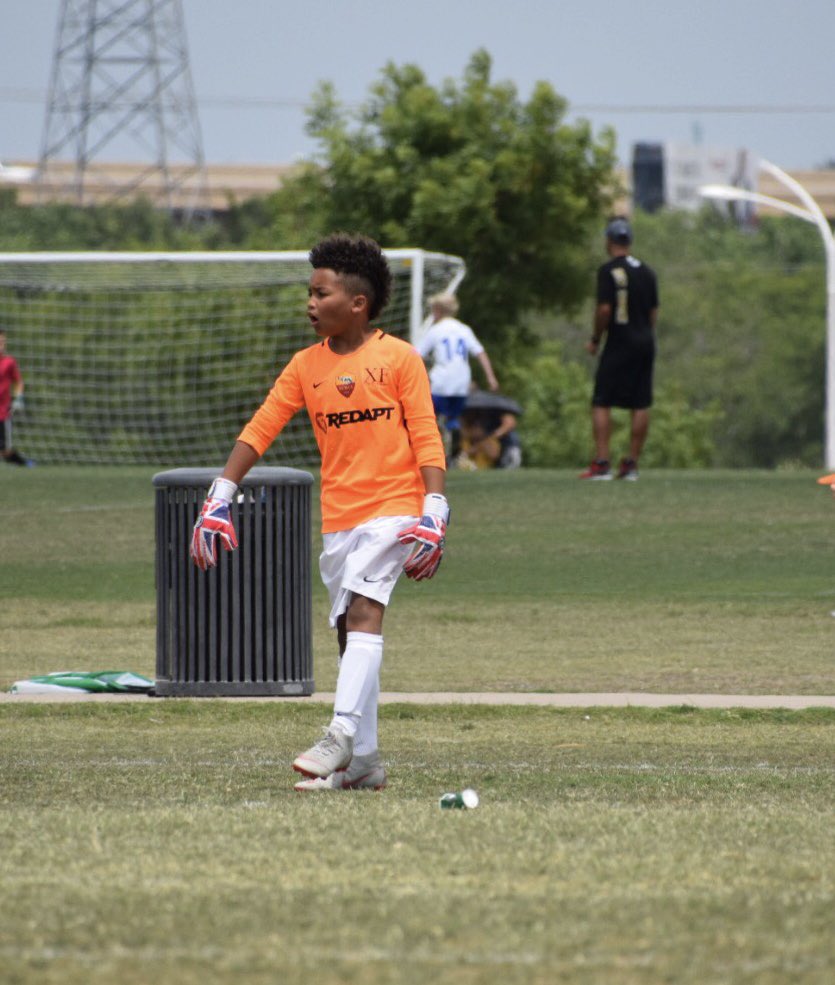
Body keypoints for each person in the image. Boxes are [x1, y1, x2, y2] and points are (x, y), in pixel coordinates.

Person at [189, 233, 448, 792]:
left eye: (320, 292)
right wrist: (220, 494)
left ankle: (339, 733)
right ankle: (366, 762)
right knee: (347, 634)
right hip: (340, 519)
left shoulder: (399, 357)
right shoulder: (305, 365)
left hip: (395, 511)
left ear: (357, 303)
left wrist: (435, 506)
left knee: (362, 615)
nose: (309, 303)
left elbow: (426, 434)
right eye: (308, 292)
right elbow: (261, 429)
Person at [581, 216, 659, 481]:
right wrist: (644, 333)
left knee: (602, 400)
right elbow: (653, 313)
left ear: (610, 241)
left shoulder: (608, 271)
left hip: (619, 341)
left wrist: (596, 338)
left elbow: (605, 309)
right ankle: (631, 465)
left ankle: (602, 462)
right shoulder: (647, 271)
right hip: (645, 341)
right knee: (640, 401)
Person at [416, 294, 499, 462]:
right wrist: (491, 377)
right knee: (454, 421)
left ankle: (433, 454)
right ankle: (453, 442)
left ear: (437, 310)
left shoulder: (435, 330)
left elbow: (416, 355)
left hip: (441, 383)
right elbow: (480, 353)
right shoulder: (464, 329)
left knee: (425, 419)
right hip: (461, 386)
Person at [0, 329, 32, 467]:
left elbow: (18, 382)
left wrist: (19, 398)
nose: (1, 344)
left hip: (3, 413)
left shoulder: (9, 362)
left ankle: (26, 464)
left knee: (6, 452)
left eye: (3, 342)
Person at [458, 405, 522, 470]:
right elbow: (464, 454)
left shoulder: (490, 440)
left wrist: (485, 443)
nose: (475, 430)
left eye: (477, 427)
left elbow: (494, 455)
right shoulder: (467, 440)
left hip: (486, 465)